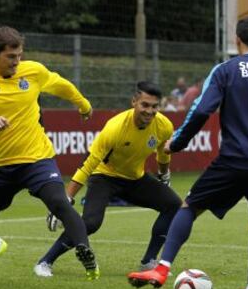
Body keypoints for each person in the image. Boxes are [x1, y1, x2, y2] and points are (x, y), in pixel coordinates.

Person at [128, 16, 248, 289]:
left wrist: (177, 143)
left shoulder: (225, 70)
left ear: (237, 40)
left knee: (190, 207)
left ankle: (162, 268)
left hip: (234, 160)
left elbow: (201, 110)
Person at [0, 26, 99, 280]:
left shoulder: (33, 71)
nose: (17, 62)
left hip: (37, 160)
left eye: (19, 55)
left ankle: (85, 251)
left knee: (59, 202)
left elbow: (61, 85)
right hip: (1, 167)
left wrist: (84, 105)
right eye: (11, 57)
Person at [34, 81, 182, 278]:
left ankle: (148, 262)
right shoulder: (115, 127)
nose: (149, 111)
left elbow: (163, 153)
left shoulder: (164, 125)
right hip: (104, 177)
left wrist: (164, 175)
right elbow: (89, 163)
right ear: (134, 102)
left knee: (173, 205)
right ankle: (45, 261)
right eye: (144, 105)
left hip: (134, 178)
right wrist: (65, 199)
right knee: (91, 223)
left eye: (154, 106)